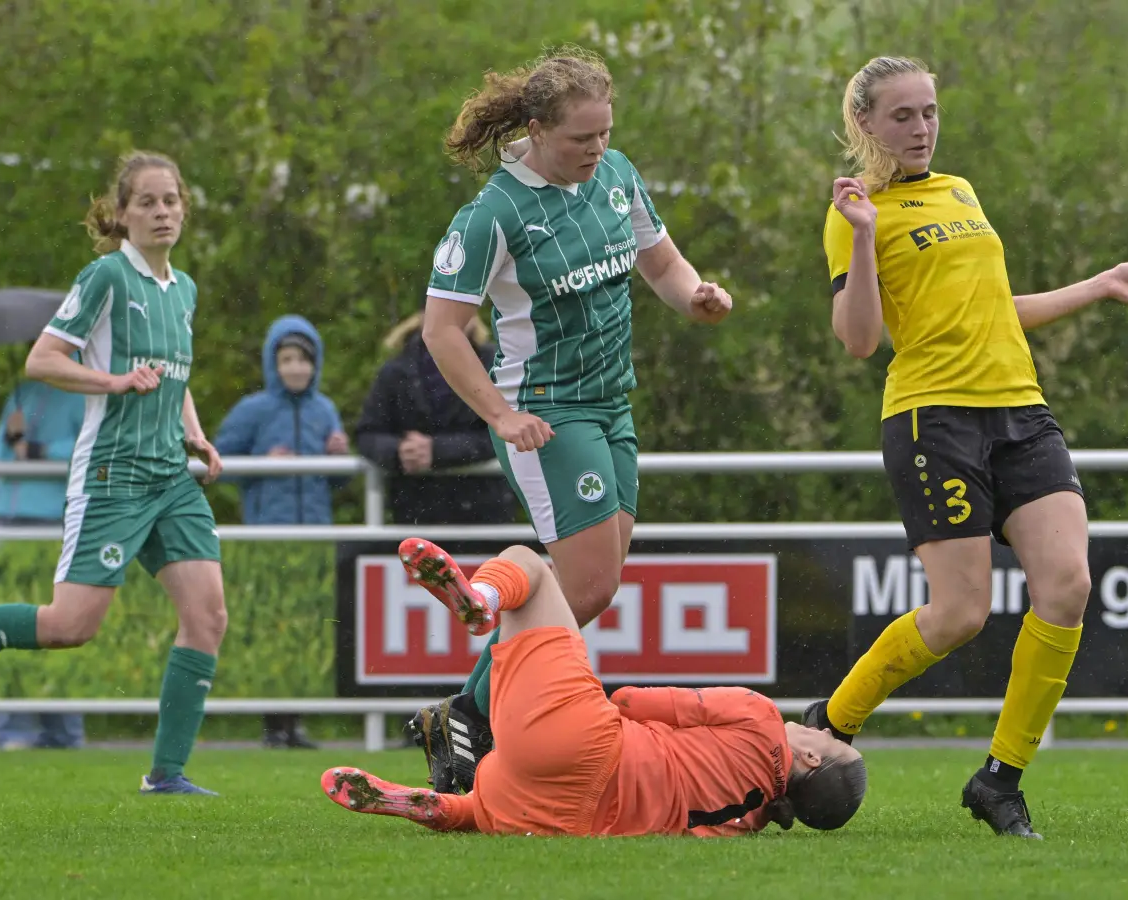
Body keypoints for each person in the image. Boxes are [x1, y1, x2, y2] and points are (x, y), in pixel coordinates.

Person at [801, 56, 1128, 839]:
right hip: (932, 420)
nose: (921, 128)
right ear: (865, 124)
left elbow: (993, 309)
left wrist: (1101, 283)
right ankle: (832, 719)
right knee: (960, 615)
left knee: (1068, 585)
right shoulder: (852, 212)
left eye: (930, 111)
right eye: (902, 115)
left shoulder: (962, 191)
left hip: (1019, 410)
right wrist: (866, 239)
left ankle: (999, 780)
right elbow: (859, 340)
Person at [410, 45, 733, 792]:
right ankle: (473, 711)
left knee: (599, 578)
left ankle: (462, 704)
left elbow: (660, 263)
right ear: (535, 128)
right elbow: (440, 329)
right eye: (581, 138)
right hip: (546, 412)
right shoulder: (493, 214)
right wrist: (500, 414)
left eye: (606, 133)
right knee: (585, 589)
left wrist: (696, 297)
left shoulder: (615, 178)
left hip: (613, 403)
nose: (598, 149)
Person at [0, 150, 228, 796]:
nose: (162, 212)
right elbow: (43, 358)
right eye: (147, 202)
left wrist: (193, 432)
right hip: (112, 475)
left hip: (170, 476)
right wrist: (113, 381)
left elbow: (175, 374)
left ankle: (166, 775)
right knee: (69, 626)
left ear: (184, 207)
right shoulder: (105, 278)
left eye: (171, 200)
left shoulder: (186, 289)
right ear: (121, 215)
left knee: (208, 615)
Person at [321, 538, 866, 837]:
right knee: (491, 808)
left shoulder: (761, 716)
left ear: (812, 762)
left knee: (530, 566)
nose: (815, 726)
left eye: (829, 738)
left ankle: (483, 600)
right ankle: (444, 808)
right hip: (570, 817)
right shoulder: (744, 824)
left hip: (588, 744)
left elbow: (627, 700)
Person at [214, 314, 351, 749]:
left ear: (315, 364)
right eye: (287, 359)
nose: (295, 368)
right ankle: (273, 725)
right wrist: (260, 465)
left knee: (307, 628)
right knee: (273, 626)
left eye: (303, 360)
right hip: (268, 534)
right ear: (273, 364)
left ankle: (297, 725)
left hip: (314, 536)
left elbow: (341, 483)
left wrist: (338, 457)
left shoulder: (324, 409)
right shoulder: (253, 410)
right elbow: (216, 463)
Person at [0, 374, 88, 750]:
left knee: (60, 624)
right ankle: (15, 730)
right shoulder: (19, 391)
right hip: (9, 520)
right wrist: (13, 440)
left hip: (55, 520)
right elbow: (0, 459)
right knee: (11, 623)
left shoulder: (83, 390)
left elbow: (89, 450)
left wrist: (36, 449)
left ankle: (64, 731)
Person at [354, 308, 516, 527]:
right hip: (416, 513)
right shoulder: (395, 372)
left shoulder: (497, 366)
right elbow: (367, 433)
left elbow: (508, 431)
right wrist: (399, 451)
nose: (456, 320)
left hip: (485, 515)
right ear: (423, 317)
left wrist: (437, 450)